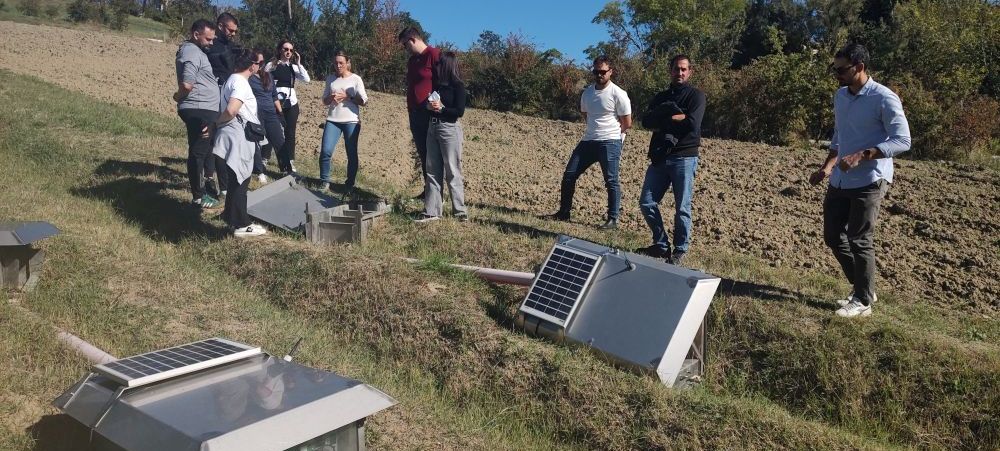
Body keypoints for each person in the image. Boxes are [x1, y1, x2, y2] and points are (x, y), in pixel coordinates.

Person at [809, 43, 910, 318]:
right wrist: (827, 167)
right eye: (834, 69)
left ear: (860, 67)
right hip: (840, 178)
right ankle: (864, 286)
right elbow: (840, 135)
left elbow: (903, 140)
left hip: (870, 178)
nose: (837, 74)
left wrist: (863, 155)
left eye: (841, 69)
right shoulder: (841, 96)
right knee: (832, 236)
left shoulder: (884, 98)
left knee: (859, 238)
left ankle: (863, 301)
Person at [546, 56, 632, 229]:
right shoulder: (587, 93)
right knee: (569, 174)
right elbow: (586, 115)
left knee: (611, 180)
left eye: (603, 72)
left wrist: (615, 137)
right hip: (588, 141)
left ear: (610, 72)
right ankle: (564, 212)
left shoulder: (618, 94)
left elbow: (627, 123)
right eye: (596, 71)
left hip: (609, 142)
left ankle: (613, 220)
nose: (599, 75)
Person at [636, 54, 706, 265]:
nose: (680, 72)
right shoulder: (661, 96)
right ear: (670, 70)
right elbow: (646, 121)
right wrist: (674, 116)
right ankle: (661, 245)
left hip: (684, 157)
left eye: (684, 69)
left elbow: (692, 123)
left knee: (682, 208)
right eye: (676, 69)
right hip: (660, 156)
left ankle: (680, 249)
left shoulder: (696, 97)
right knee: (646, 202)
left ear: (690, 72)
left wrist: (663, 119)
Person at [214, 49, 268, 237]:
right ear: (252, 65)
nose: (259, 67)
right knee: (241, 178)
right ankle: (241, 225)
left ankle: (229, 215)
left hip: (232, 134)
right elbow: (232, 109)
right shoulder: (240, 82)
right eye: (258, 64)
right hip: (239, 135)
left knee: (235, 177)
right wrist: (217, 123)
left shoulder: (232, 79)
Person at [415, 51, 468, 222]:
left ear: (447, 66)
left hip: (449, 129)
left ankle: (460, 212)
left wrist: (442, 109)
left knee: (452, 170)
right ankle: (432, 211)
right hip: (433, 127)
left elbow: (459, 112)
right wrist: (429, 107)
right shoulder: (438, 86)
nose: (436, 67)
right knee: (432, 170)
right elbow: (426, 103)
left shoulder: (458, 87)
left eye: (439, 64)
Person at [173, 19, 221, 209]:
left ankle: (206, 191)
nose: (211, 42)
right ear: (196, 35)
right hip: (199, 110)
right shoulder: (191, 52)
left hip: (206, 109)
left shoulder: (196, 51)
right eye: (208, 39)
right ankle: (198, 197)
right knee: (198, 152)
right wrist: (177, 97)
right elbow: (187, 84)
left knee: (205, 149)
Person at [398, 26, 440, 198]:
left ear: (413, 39)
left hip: (430, 112)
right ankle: (428, 190)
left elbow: (443, 82)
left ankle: (438, 193)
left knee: (433, 153)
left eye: (405, 45)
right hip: (414, 112)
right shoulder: (412, 61)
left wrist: (437, 103)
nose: (405, 49)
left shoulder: (434, 55)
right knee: (423, 152)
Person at [319, 50, 368, 196]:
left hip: (351, 121)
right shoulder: (330, 79)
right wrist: (330, 98)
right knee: (326, 151)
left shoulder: (356, 79)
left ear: (348, 63)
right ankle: (324, 181)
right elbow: (324, 100)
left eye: (341, 62)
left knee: (351, 153)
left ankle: (349, 184)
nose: (338, 65)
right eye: (336, 63)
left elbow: (364, 101)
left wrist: (348, 97)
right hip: (333, 119)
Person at [265, 40, 310, 174]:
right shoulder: (272, 65)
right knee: (271, 130)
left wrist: (299, 63)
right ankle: (264, 158)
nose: (288, 52)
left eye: (291, 50)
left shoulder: (293, 67)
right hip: (274, 101)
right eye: (285, 49)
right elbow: (263, 78)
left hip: (291, 103)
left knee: (290, 133)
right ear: (280, 50)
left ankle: (289, 160)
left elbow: (306, 79)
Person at [249, 48, 284, 183]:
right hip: (256, 114)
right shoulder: (248, 77)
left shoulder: (268, 76)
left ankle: (287, 169)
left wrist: (280, 113)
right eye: (258, 62)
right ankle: (259, 171)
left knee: (279, 141)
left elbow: (274, 96)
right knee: (257, 143)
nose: (261, 64)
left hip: (271, 113)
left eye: (263, 61)